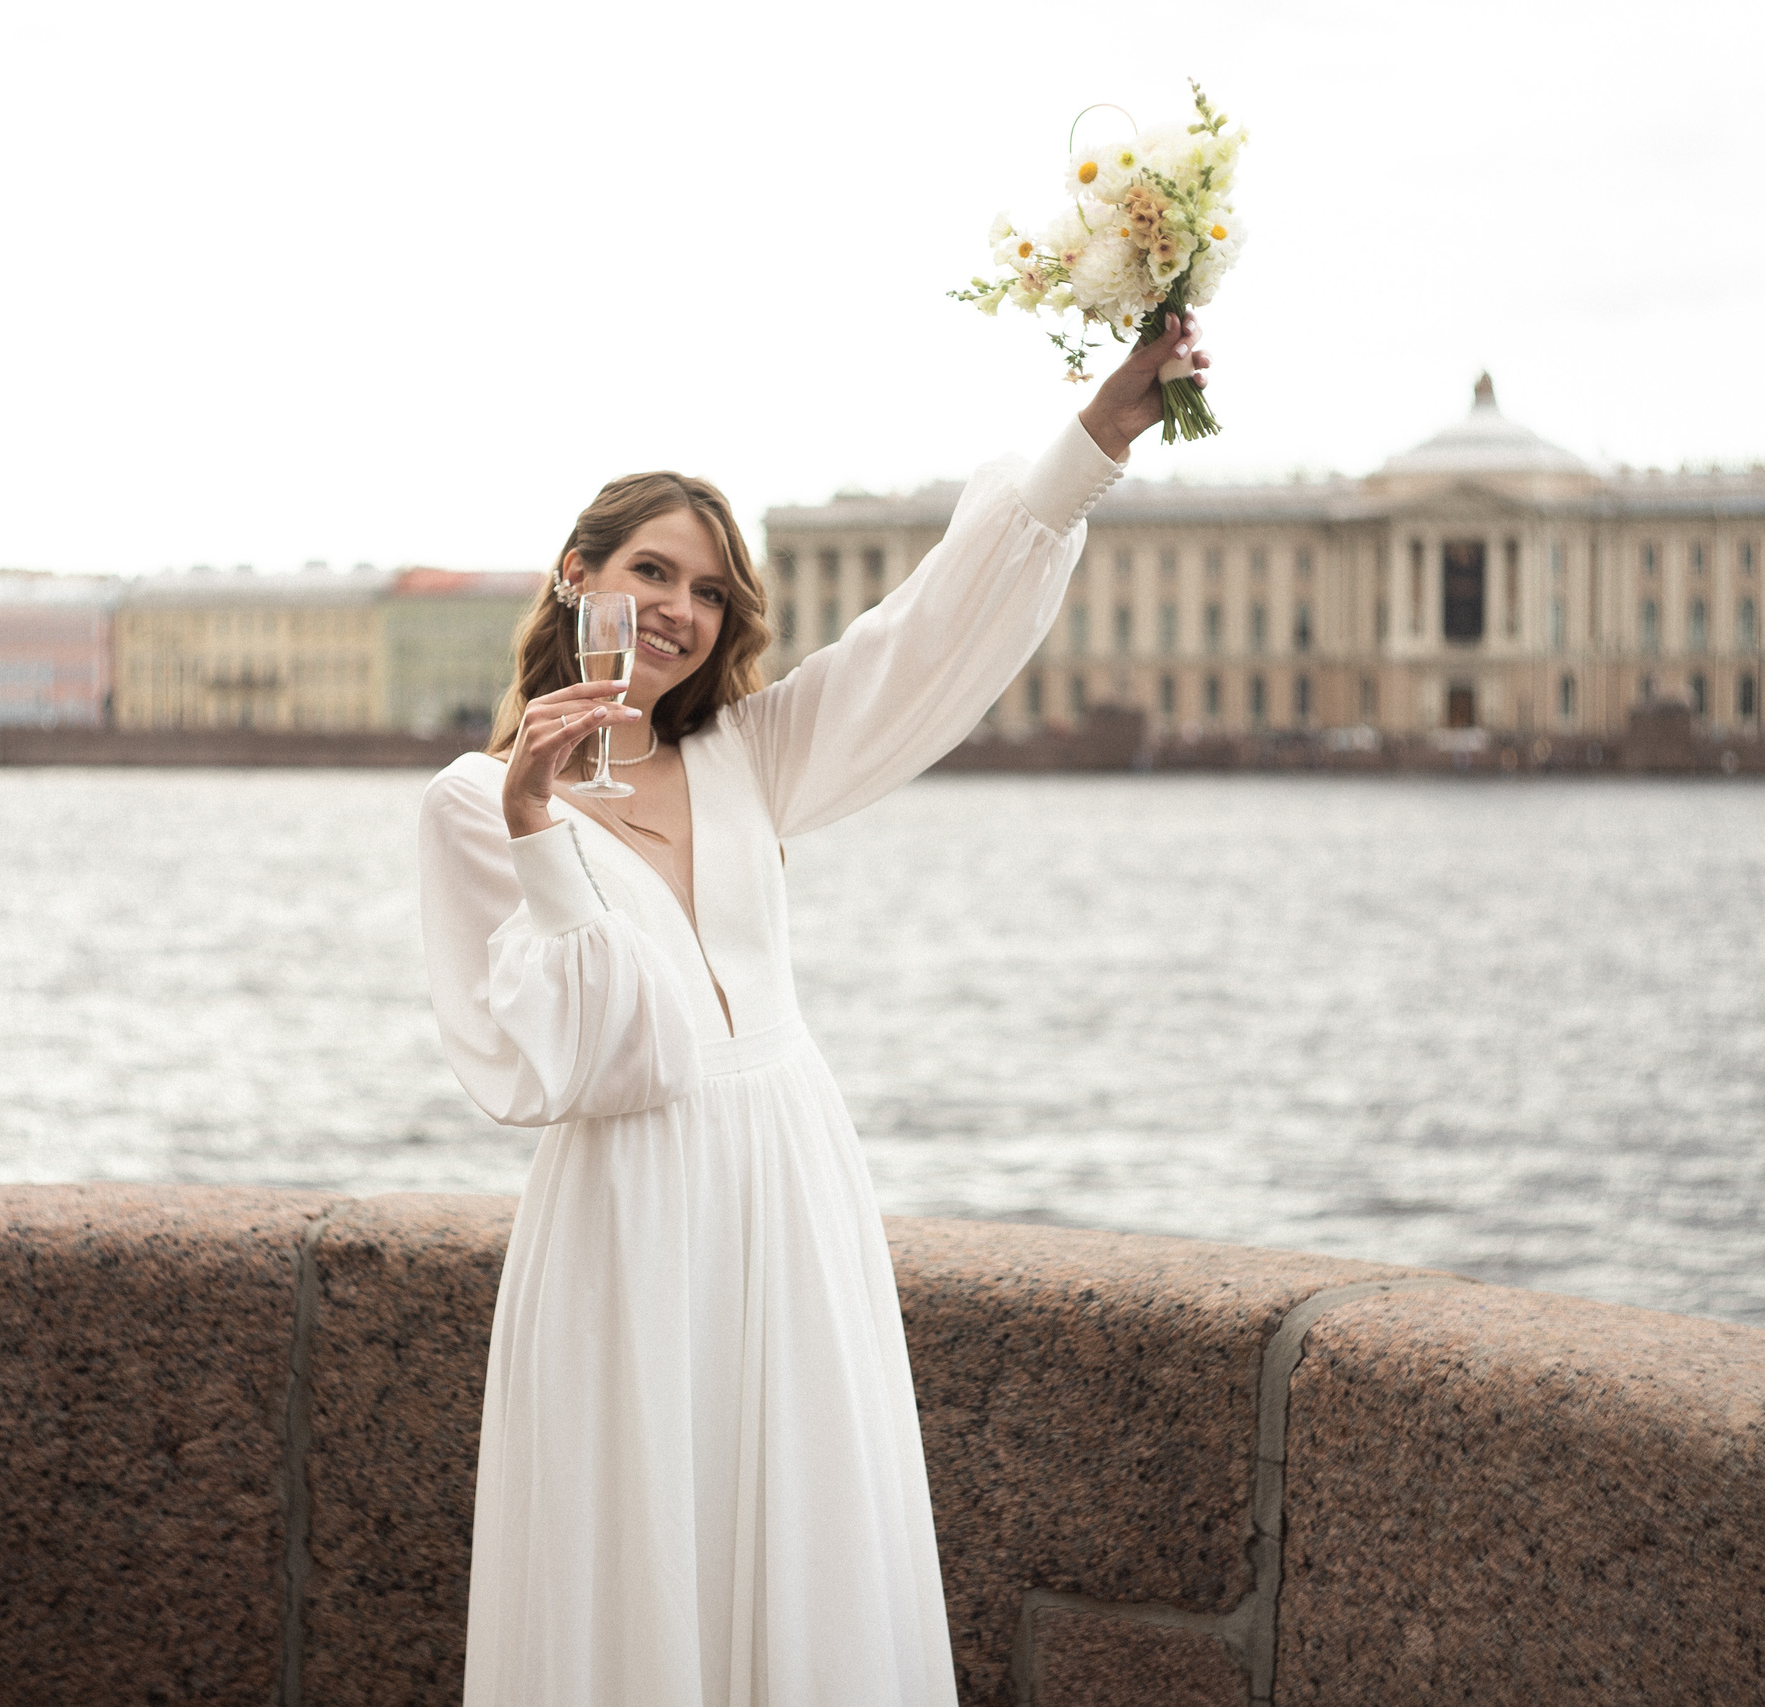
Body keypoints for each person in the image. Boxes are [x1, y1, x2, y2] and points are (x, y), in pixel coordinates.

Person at [417, 317, 1211, 1706]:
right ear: (575, 577)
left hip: (788, 1187)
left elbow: (922, 642)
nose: (677, 608)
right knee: (642, 1553)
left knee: (808, 1544)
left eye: (710, 593)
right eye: (650, 571)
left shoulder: (750, 756)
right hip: (629, 1214)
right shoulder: (473, 807)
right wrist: (543, 828)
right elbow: (571, 1059)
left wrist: (1100, 434)